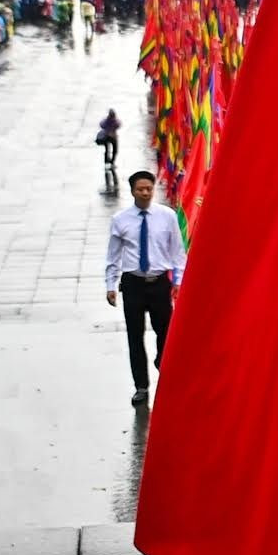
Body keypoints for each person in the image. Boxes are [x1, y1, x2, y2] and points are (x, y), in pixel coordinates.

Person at [105, 171, 186, 406]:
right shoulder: (121, 220)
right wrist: (111, 284)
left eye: (149, 188)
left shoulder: (167, 216)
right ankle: (141, 385)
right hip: (133, 284)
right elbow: (113, 255)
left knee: (166, 333)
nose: (145, 193)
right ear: (132, 191)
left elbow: (177, 251)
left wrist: (178, 281)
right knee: (135, 337)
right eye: (140, 189)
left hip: (159, 283)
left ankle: (163, 364)